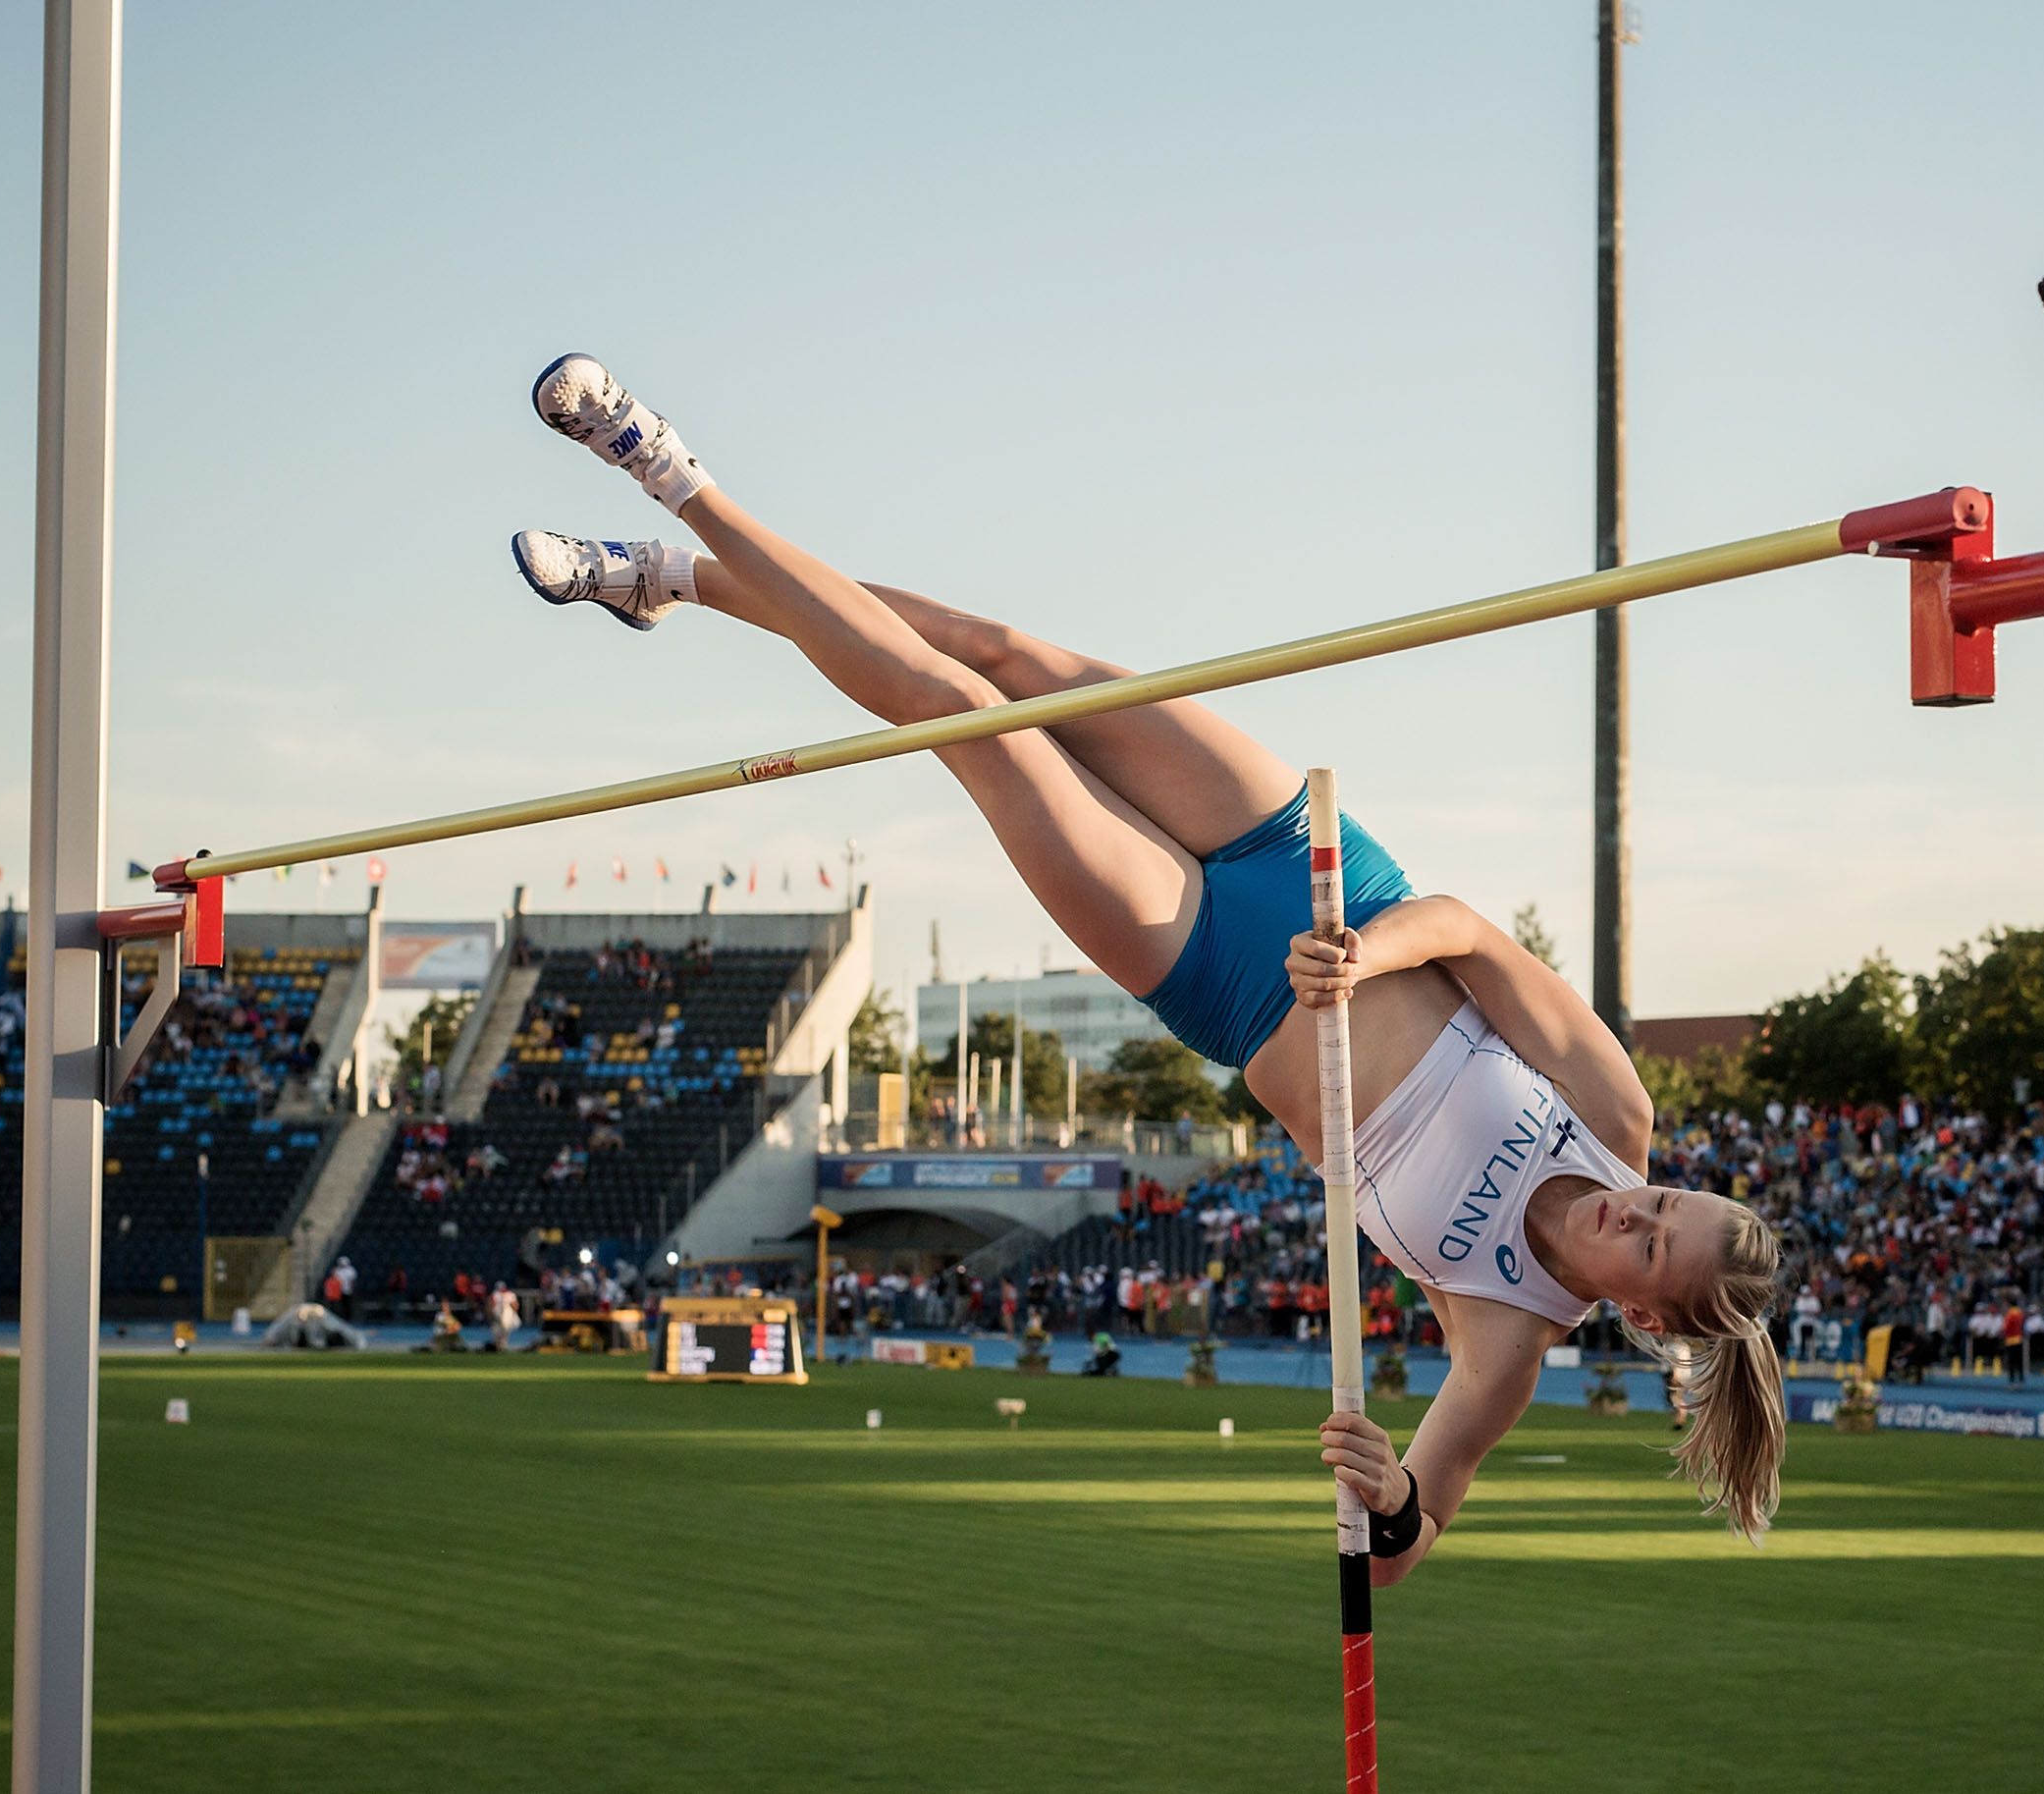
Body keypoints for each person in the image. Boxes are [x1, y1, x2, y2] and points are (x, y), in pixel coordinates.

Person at [506, 353, 1788, 1558]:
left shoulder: (1502, 1337)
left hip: (1218, 982)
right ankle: (668, 578)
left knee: (965, 715)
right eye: (1669, 1201)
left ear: (1649, 1314)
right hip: (1314, 863)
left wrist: (1396, 1502)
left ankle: (665, 469)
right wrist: (1364, 949)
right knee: (1000, 652)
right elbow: (1467, 931)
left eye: (1651, 1241)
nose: (1639, 1204)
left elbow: (1403, 1550)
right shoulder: (1617, 1112)